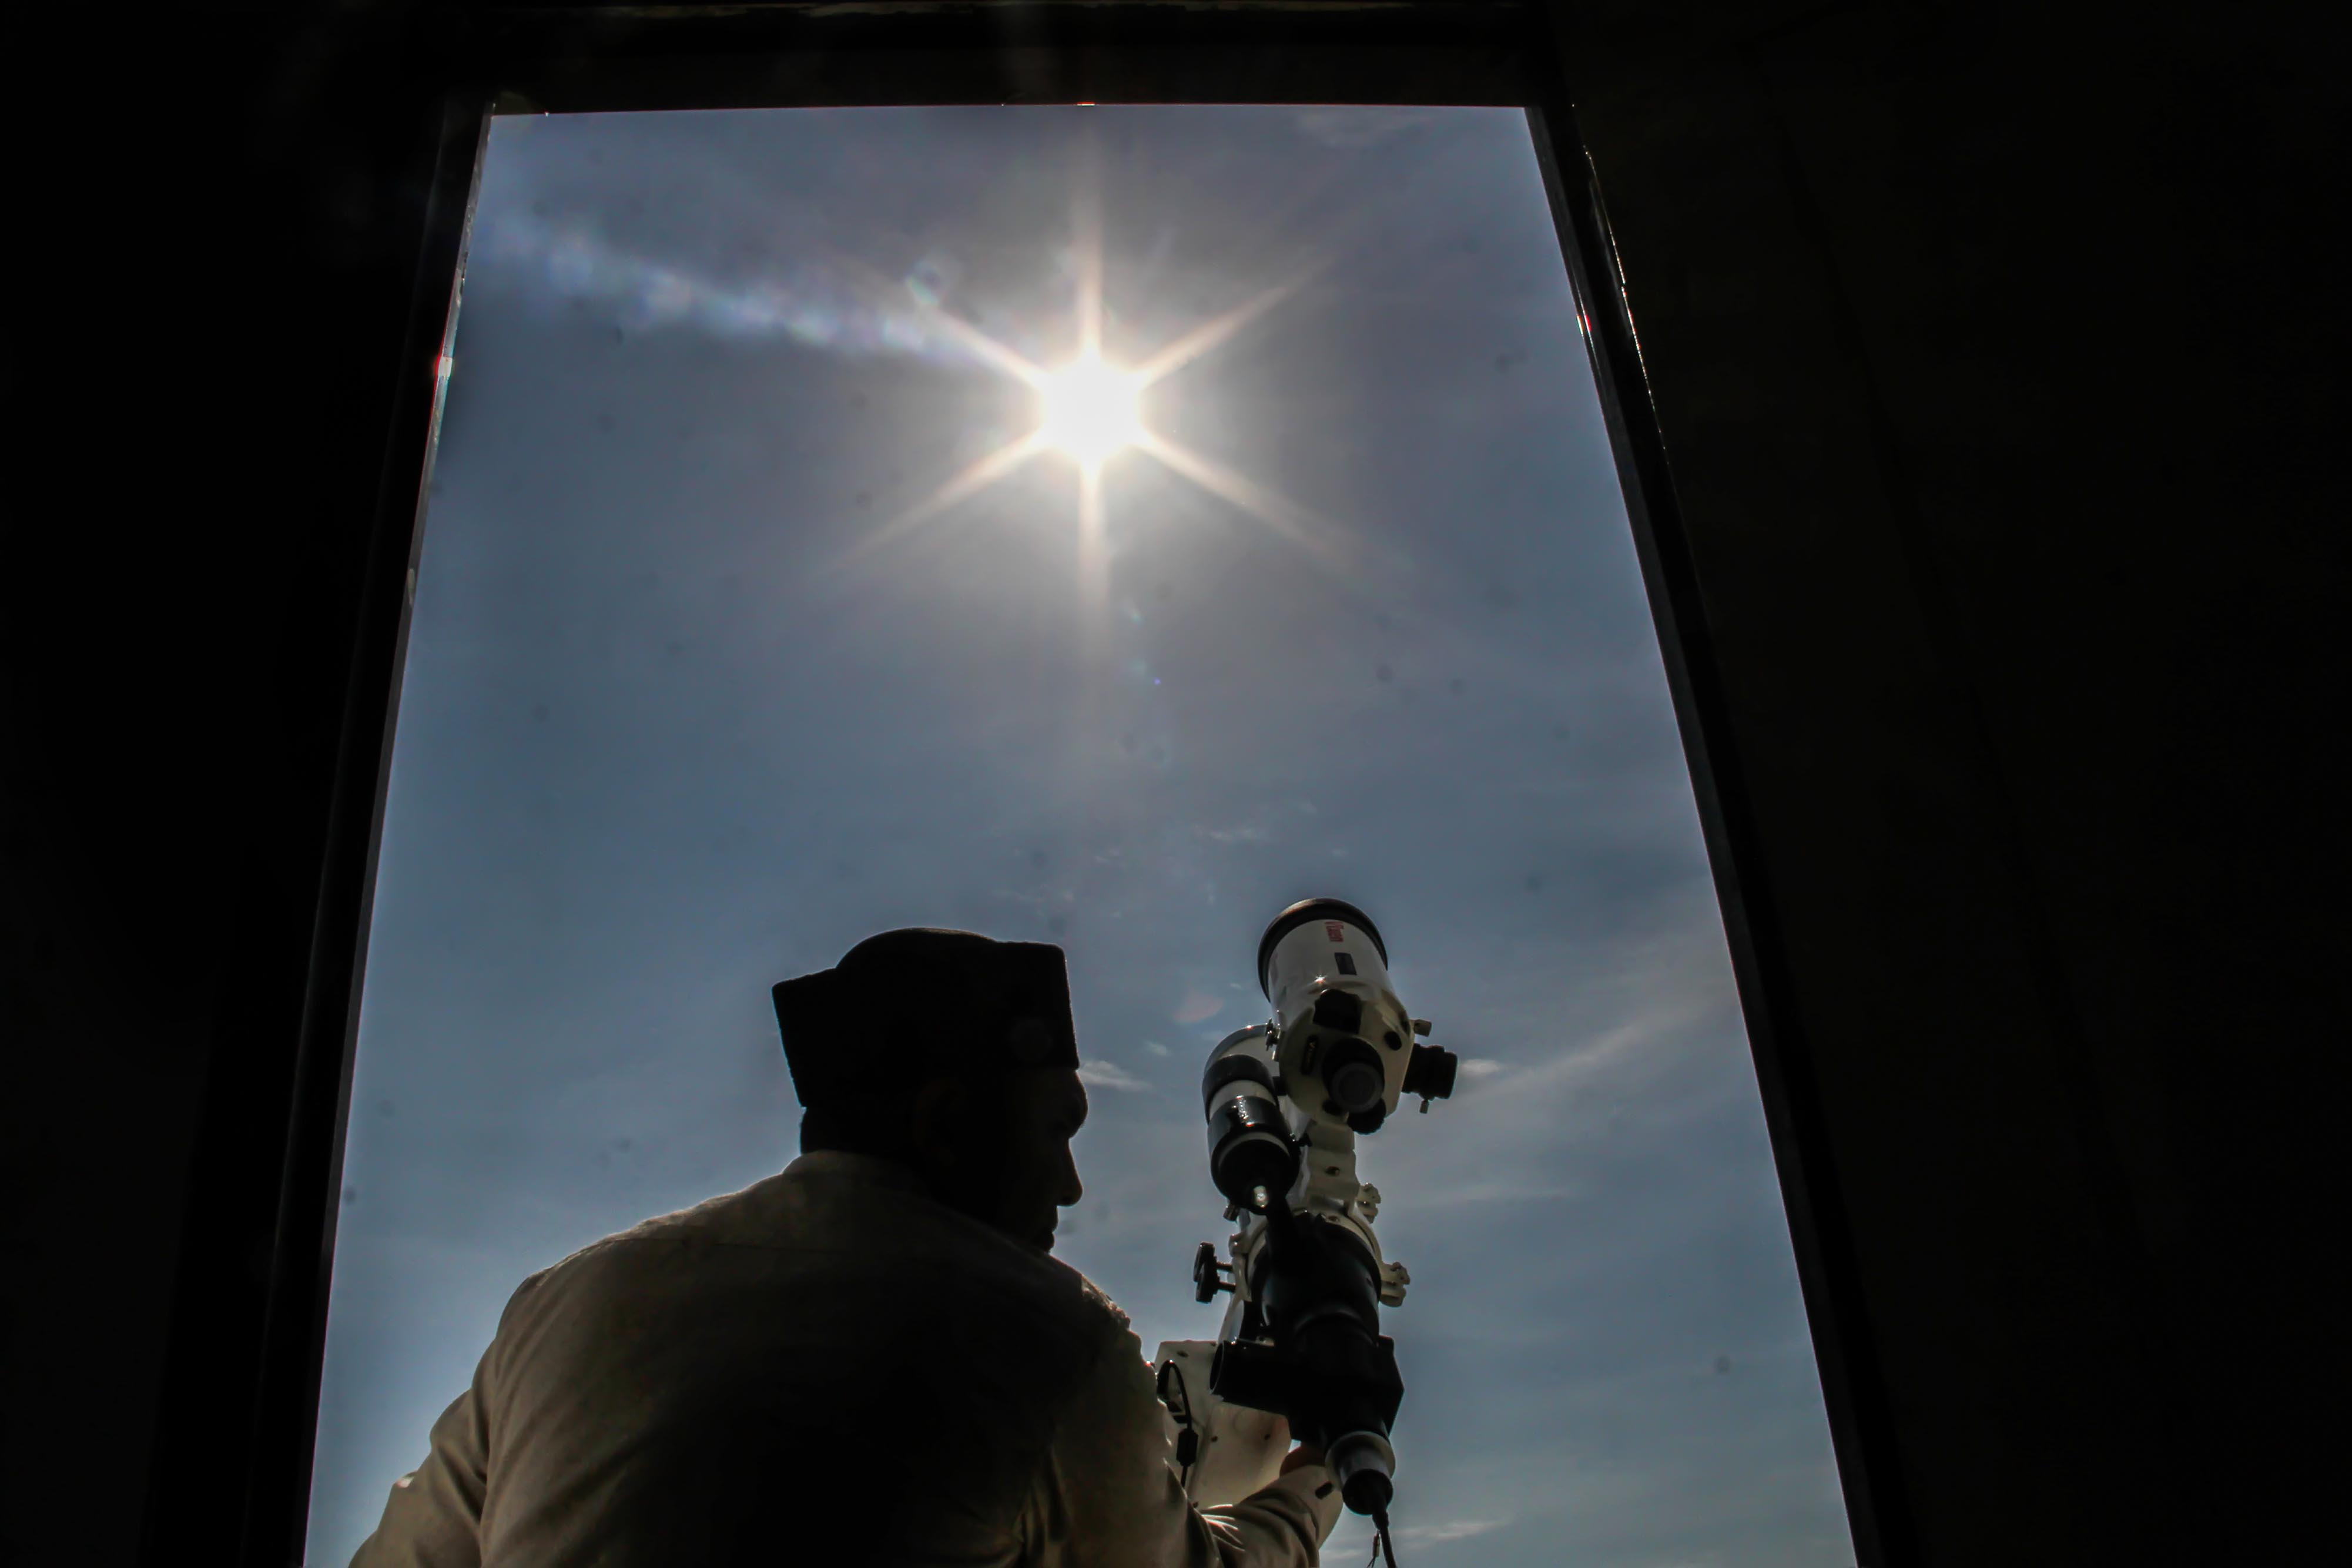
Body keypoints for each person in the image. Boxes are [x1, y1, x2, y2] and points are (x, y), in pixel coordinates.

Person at [350, 929, 1342, 1567]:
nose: (1071, 1187)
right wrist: (1318, 1481)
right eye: (1056, 1134)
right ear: (948, 1123)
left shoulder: (559, 1307)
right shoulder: (1050, 1343)